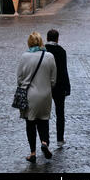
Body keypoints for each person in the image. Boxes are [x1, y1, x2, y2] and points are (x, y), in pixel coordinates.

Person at [17, 32, 57, 163]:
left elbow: (20, 78)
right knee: (44, 121)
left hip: (30, 95)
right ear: (41, 42)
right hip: (45, 94)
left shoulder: (24, 57)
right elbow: (53, 79)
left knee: (30, 123)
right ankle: (45, 142)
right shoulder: (49, 56)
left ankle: (33, 152)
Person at [45, 29, 71, 148]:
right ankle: (60, 139)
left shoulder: (43, 51)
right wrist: (67, 87)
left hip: (44, 85)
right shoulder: (61, 51)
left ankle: (45, 140)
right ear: (57, 39)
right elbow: (64, 70)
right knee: (60, 113)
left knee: (44, 114)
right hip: (59, 86)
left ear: (47, 38)